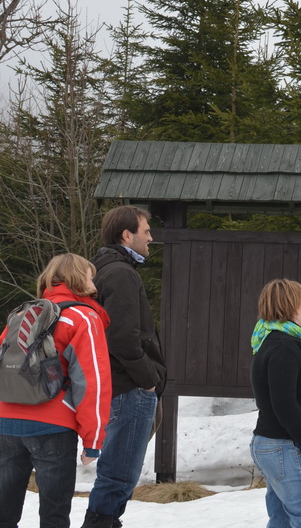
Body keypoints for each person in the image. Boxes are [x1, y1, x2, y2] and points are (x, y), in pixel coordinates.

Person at [0, 253, 112, 528]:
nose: (93, 280)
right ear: (77, 277)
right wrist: (93, 438)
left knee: (3, 513)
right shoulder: (83, 317)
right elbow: (92, 380)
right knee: (54, 515)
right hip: (52, 426)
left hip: (6, 423)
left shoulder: (23, 314)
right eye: (89, 274)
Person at [83, 206, 166, 528]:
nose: (151, 238)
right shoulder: (121, 273)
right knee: (120, 473)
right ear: (126, 235)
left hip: (121, 385)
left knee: (118, 470)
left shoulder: (104, 270)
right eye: (146, 232)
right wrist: (148, 379)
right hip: (129, 387)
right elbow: (121, 337)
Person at [250, 279, 301, 528]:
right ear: (293, 307)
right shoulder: (283, 347)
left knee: (282, 520)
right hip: (286, 447)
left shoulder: (270, 342)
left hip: (276, 445)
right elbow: (283, 402)